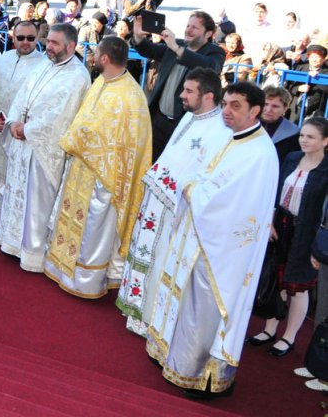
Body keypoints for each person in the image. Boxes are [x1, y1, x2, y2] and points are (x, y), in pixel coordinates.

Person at [144, 81, 278, 399]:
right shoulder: (237, 140)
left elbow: (227, 202)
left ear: (255, 111)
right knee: (191, 303)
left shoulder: (259, 153)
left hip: (225, 252)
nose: (227, 112)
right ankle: (179, 361)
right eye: (226, 104)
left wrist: (192, 189)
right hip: (207, 240)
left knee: (206, 309)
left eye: (236, 106)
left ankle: (199, 375)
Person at [116, 68, 229, 336]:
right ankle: (137, 309)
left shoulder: (219, 130)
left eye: (189, 91)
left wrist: (168, 189)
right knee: (148, 256)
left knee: (162, 260)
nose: (182, 95)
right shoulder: (190, 117)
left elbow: (201, 173)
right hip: (157, 198)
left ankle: (153, 317)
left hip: (174, 206)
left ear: (209, 96)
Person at [43, 36, 153, 297]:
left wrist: (76, 140)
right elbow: (86, 119)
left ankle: (85, 280)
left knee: (93, 227)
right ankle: (62, 268)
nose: (91, 58)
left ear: (105, 58)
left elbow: (126, 144)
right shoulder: (102, 82)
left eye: (95, 55)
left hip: (107, 178)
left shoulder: (130, 97)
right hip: (83, 167)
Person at [0, 23, 92, 269]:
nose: (48, 46)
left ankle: (33, 253)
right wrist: (14, 121)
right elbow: (22, 96)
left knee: (36, 201)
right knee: (18, 192)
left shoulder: (78, 75)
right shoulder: (42, 66)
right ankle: (12, 242)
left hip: (44, 148)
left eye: (55, 43)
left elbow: (60, 115)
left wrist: (27, 129)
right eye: (48, 41)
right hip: (23, 140)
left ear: (70, 46)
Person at [247, 116, 328, 358]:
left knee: (298, 286)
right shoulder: (292, 158)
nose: (303, 140)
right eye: (302, 135)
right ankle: (270, 328)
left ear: (325, 141)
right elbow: (274, 190)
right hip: (280, 226)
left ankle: (289, 336)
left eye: (310, 137)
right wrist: (270, 219)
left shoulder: (326, 170)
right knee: (274, 277)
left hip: (306, 233)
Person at [132, 10, 225, 158]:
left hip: (184, 122)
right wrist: (138, 35)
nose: (188, 30)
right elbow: (148, 50)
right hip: (159, 118)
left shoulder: (215, 52)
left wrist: (176, 48)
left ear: (208, 34)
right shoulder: (177, 44)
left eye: (194, 27)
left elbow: (209, 66)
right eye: (188, 25)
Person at [0, 20, 49, 222]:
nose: (25, 42)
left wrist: (13, 122)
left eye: (30, 38)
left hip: (18, 129)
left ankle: (6, 218)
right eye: (20, 37)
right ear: (13, 38)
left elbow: (39, 101)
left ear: (37, 39)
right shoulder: (3, 58)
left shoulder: (44, 65)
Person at [261, 85, 302, 161]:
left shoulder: (293, 134)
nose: (269, 109)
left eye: (275, 106)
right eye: (265, 104)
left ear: (285, 109)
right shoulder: (245, 125)